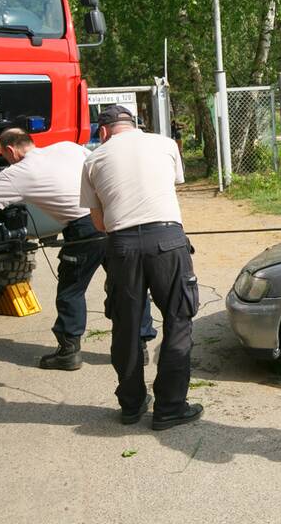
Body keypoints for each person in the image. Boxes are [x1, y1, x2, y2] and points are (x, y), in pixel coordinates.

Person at [0, 127, 157, 370]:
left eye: (4, 156)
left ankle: (69, 352)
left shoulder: (18, 173)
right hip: (116, 218)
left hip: (84, 229)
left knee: (71, 290)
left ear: (10, 150)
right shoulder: (68, 147)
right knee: (130, 283)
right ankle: (140, 346)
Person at [80, 105, 202, 429]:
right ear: (134, 125)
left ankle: (131, 406)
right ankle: (170, 407)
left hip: (122, 247)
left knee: (127, 325)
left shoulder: (93, 159)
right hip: (168, 240)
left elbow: (98, 222)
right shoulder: (165, 144)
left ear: (103, 132)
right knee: (178, 320)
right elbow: (169, 185)